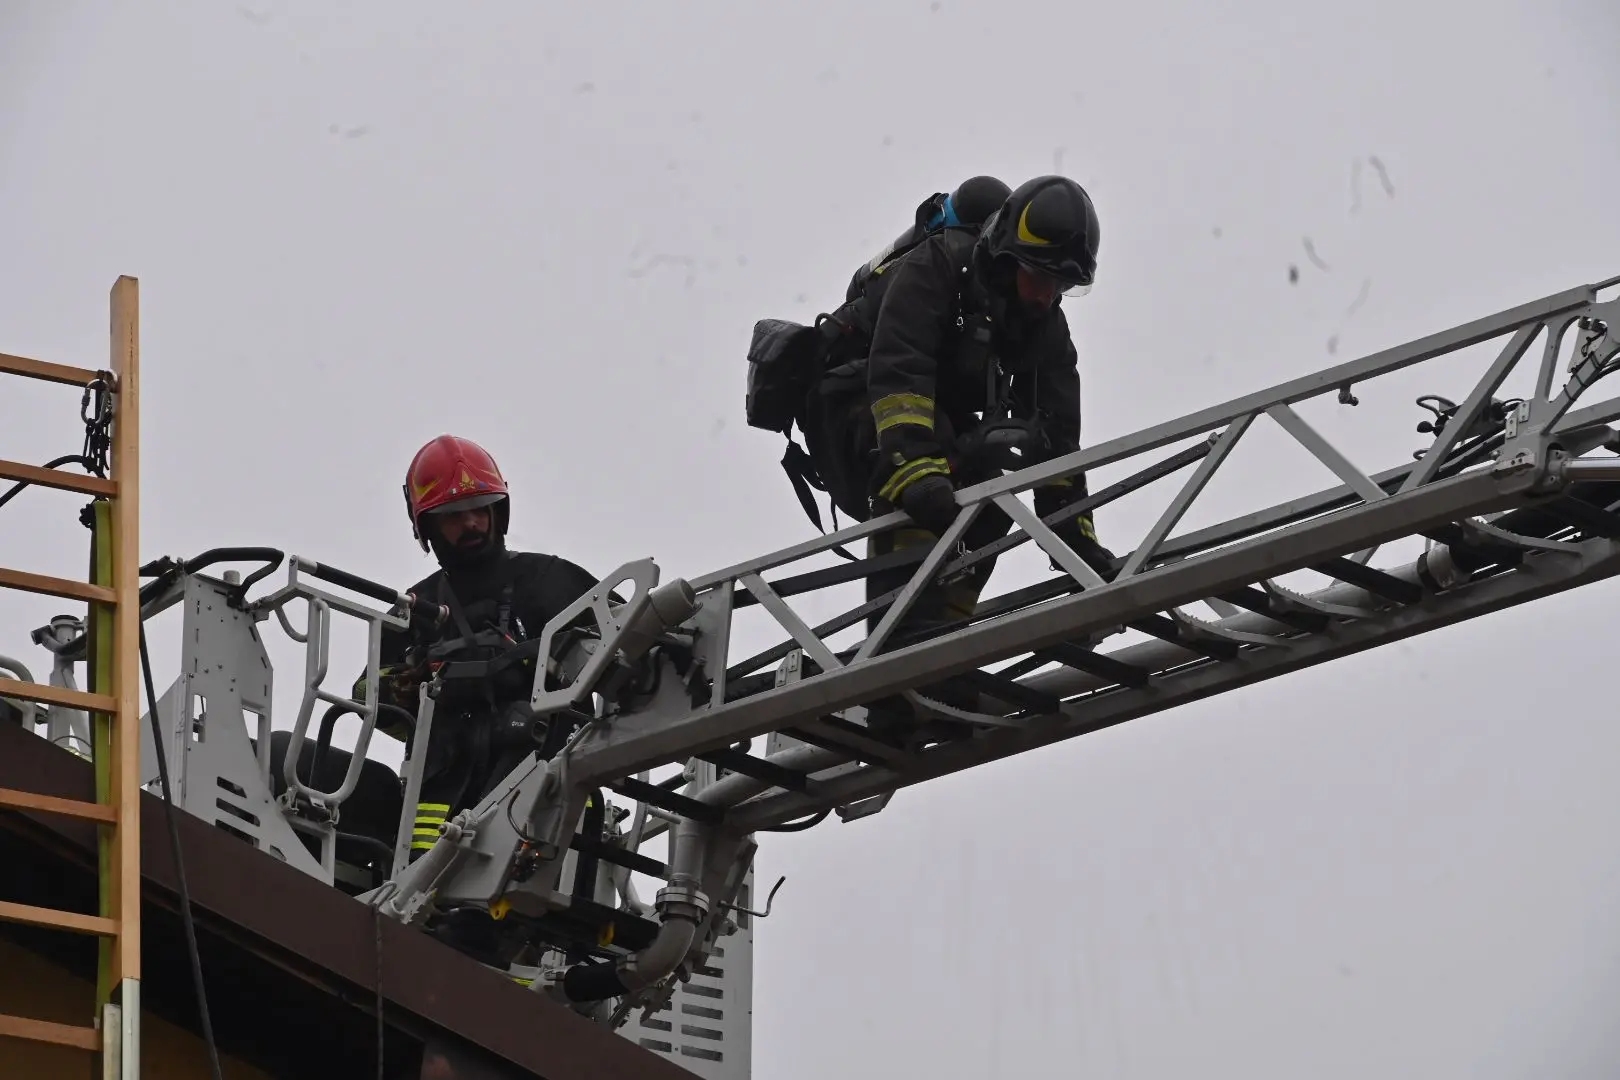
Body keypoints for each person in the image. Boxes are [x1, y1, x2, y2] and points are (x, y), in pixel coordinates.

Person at [801, 174, 1116, 717]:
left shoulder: (1046, 331)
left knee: (994, 485)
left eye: (1060, 286)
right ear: (1007, 257)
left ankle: (943, 639)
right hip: (854, 405)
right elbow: (899, 369)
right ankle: (900, 640)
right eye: (1040, 277)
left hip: (930, 423)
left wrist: (1079, 546)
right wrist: (916, 468)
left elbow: (1059, 445)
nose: (1047, 296)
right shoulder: (938, 266)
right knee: (933, 477)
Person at [351, 435, 603, 963]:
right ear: (427, 528)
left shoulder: (551, 582)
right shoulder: (417, 608)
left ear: (498, 511)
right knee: (421, 895)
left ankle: (483, 922)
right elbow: (367, 694)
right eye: (453, 516)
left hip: (535, 780)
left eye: (480, 509)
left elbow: (624, 646)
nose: (471, 524)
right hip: (441, 784)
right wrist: (408, 684)